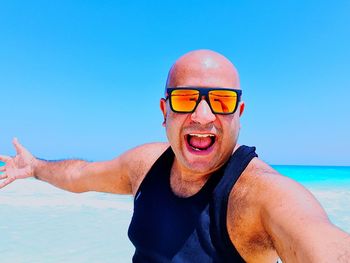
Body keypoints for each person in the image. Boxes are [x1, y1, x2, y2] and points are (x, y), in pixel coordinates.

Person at [0, 49, 349, 262]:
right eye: (185, 99)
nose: (202, 116)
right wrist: (34, 167)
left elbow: (319, 241)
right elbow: (80, 175)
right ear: (164, 111)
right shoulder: (145, 164)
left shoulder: (260, 195)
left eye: (221, 101)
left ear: (239, 114)